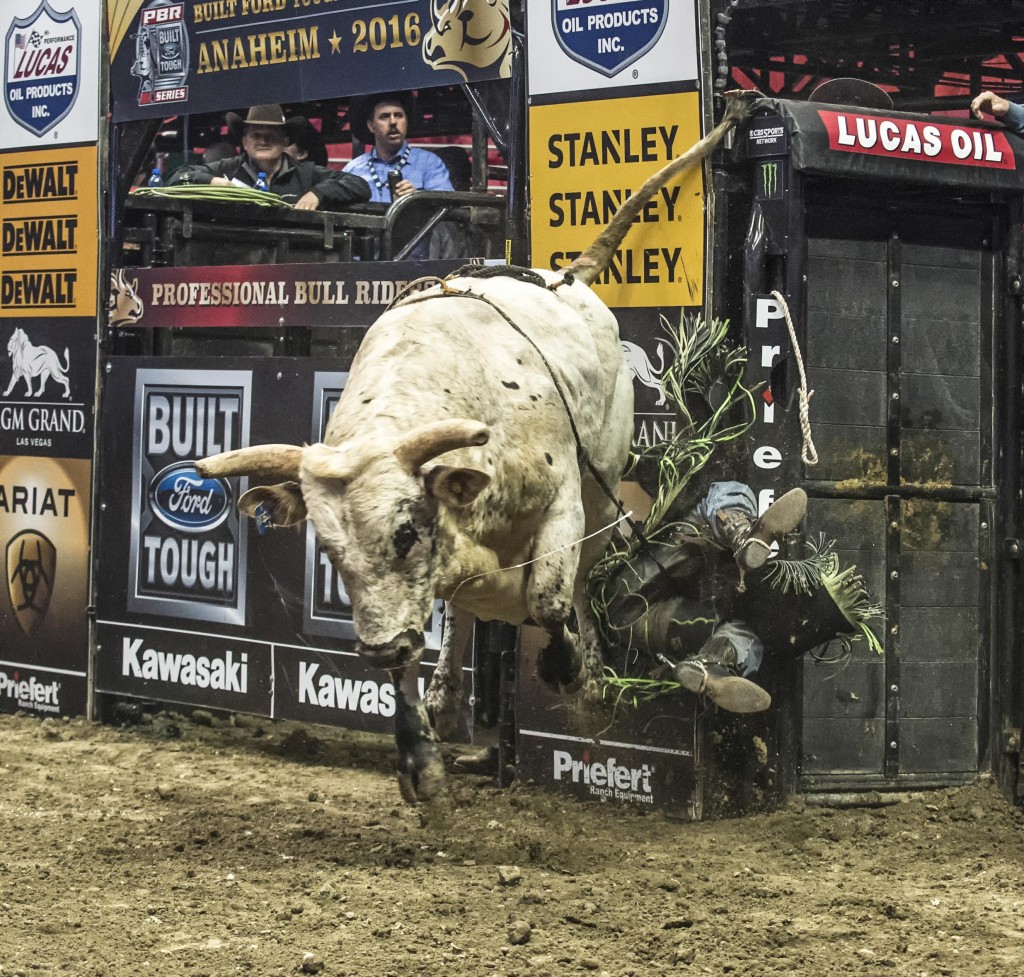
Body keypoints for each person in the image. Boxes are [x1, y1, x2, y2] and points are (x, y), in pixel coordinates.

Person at [597, 481, 881, 714]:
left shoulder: (759, 610)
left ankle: (714, 664)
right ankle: (711, 665)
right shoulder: (761, 611)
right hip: (651, 606)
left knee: (722, 495)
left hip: (637, 602)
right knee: (747, 641)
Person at [167, 104, 370, 211]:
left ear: (285, 142)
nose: (263, 141)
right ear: (245, 142)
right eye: (256, 135)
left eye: (271, 135)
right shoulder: (227, 169)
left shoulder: (306, 174)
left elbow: (359, 185)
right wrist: (214, 181)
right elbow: (177, 177)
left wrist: (317, 193)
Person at [343, 92, 454, 203]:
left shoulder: (430, 163)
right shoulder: (353, 169)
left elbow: (447, 208)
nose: (393, 122)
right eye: (385, 116)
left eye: (398, 115)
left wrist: (417, 198)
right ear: (371, 126)